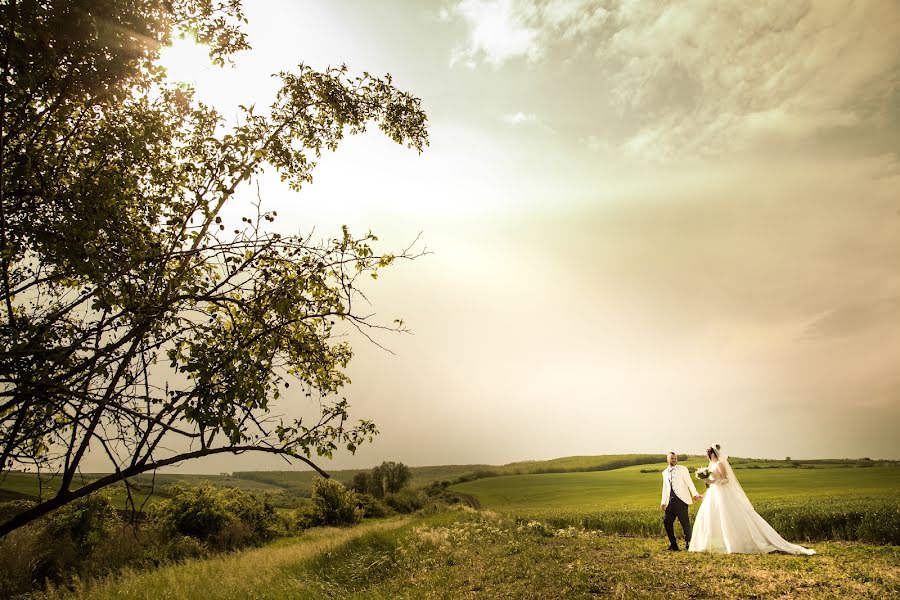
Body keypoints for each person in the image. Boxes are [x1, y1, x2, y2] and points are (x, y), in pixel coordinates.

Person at [689, 444, 815, 555]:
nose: (707, 457)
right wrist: (705, 489)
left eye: (707, 454)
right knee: (712, 517)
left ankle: (733, 544)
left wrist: (712, 481)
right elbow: (712, 483)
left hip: (723, 494)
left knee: (727, 516)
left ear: (711, 454)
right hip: (714, 493)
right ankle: (711, 544)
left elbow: (726, 479)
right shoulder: (711, 464)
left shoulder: (720, 464)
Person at [660, 451, 703, 551]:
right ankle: (673, 544)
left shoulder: (683, 469)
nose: (674, 460)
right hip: (670, 502)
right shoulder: (664, 473)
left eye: (675, 458)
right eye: (672, 458)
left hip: (681, 501)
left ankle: (689, 544)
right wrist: (663, 502)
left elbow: (689, 482)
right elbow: (665, 488)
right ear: (667, 459)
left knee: (685, 523)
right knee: (667, 522)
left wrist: (695, 494)